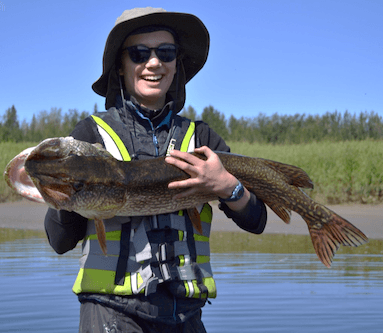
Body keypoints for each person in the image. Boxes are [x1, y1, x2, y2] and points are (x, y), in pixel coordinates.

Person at [45, 7, 267, 333]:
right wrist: (66, 192)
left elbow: (257, 220)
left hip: (186, 317)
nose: (154, 62)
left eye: (165, 52)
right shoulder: (90, 137)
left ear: (177, 64)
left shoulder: (202, 138)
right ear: (120, 67)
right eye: (139, 53)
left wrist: (228, 187)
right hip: (110, 314)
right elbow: (59, 240)